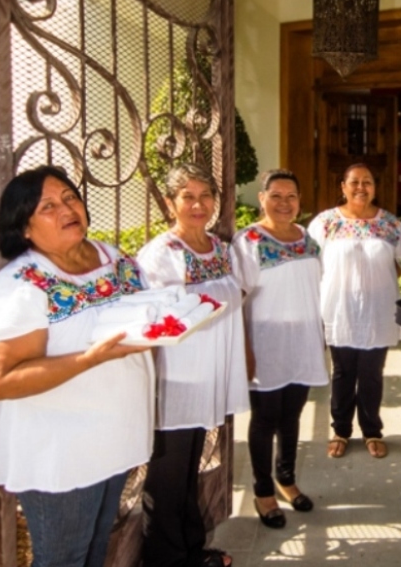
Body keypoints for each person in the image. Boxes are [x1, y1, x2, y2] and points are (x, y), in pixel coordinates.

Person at [0, 165, 155, 567]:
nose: (67, 209)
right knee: (64, 559)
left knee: (94, 549)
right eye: (48, 207)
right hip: (60, 452)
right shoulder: (20, 287)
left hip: (115, 437)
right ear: (24, 227)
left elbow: (144, 317)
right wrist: (89, 359)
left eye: (70, 197)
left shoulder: (114, 259)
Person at [136, 164, 247, 567]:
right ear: (170, 203)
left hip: (207, 375)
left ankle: (191, 550)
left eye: (206, 196)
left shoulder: (220, 249)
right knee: (167, 479)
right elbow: (156, 320)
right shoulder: (161, 254)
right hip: (175, 379)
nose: (199, 205)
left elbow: (236, 298)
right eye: (188, 197)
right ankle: (165, 559)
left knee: (187, 473)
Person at [230, 168, 328, 529]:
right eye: (276, 196)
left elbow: (315, 290)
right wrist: (245, 349)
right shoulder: (249, 241)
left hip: (302, 342)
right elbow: (237, 299)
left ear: (299, 201)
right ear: (262, 199)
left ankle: (286, 479)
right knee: (265, 418)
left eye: (291, 197)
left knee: (292, 416)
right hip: (266, 343)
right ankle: (262, 491)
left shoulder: (308, 240)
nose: (284, 203)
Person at [307, 163, 401, 459]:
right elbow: (311, 263)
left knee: (371, 373)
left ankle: (371, 431)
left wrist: (377, 281)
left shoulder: (390, 223)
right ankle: (341, 430)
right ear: (342, 187)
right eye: (354, 182)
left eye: (367, 182)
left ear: (375, 187)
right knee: (342, 372)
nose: (361, 187)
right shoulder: (326, 222)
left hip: (378, 310)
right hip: (339, 309)